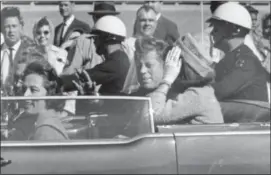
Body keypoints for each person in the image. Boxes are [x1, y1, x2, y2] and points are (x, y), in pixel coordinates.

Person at [131, 36, 223, 124]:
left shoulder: (198, 95)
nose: (142, 71)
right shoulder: (190, 92)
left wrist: (167, 79)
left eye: (173, 61)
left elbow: (151, 116)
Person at [208, 2, 268, 102]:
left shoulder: (247, 62)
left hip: (249, 117)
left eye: (217, 28)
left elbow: (217, 92)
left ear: (236, 30)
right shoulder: (228, 59)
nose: (212, 32)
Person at [8, 59, 69, 141]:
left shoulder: (46, 131)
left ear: (50, 94)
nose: (25, 95)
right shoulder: (40, 122)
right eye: (24, 89)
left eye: (33, 90)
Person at [1, 7, 32, 90]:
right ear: (1, 29)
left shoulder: (32, 52)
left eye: (14, 26)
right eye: (7, 27)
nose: (11, 31)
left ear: (21, 27)